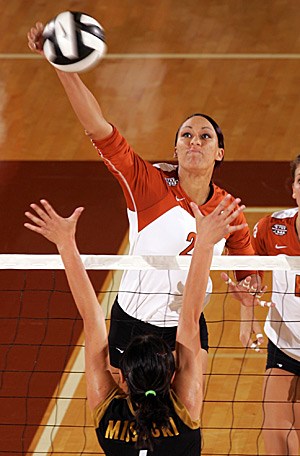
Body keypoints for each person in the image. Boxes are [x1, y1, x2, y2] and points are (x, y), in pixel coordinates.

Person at [27, 22, 263, 374]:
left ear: (220, 153)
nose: (194, 141)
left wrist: (248, 299)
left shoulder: (228, 211)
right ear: (176, 148)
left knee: (186, 420)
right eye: (186, 135)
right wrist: (63, 67)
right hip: (133, 326)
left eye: (205, 136)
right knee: (131, 417)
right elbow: (97, 127)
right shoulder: (148, 185)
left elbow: (249, 277)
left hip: (186, 329)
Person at [25, 195, 247, 455]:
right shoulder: (166, 413)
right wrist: (206, 244)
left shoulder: (182, 411)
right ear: (171, 374)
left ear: (122, 376)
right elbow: (187, 319)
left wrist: (64, 243)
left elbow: (187, 319)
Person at [250, 155, 300, 455]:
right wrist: (247, 317)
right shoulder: (273, 227)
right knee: (275, 438)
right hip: (285, 346)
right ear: (293, 189)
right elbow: (248, 268)